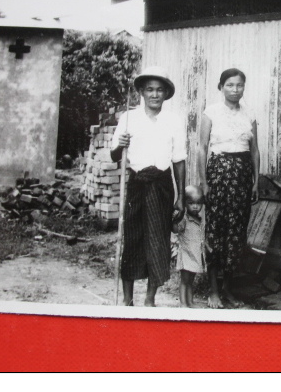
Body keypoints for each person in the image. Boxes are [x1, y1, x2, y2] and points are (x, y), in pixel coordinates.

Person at [111, 66, 186, 307]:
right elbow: (115, 156)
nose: (155, 94)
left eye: (160, 90)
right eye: (150, 90)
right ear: (141, 92)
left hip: (162, 185)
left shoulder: (174, 121)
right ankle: (127, 300)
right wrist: (119, 144)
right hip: (137, 184)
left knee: (158, 240)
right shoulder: (128, 118)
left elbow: (179, 160)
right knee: (132, 238)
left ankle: (150, 299)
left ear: (166, 94)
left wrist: (181, 197)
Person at [198, 68, 260, 308]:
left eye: (239, 85)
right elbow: (202, 147)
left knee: (236, 233)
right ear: (221, 87)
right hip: (218, 175)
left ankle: (228, 289)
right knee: (216, 230)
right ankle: (213, 291)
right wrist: (204, 182)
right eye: (230, 85)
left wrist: (255, 181)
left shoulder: (250, 113)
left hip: (242, 176)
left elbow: (254, 150)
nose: (235, 90)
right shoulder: (211, 112)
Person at [174, 185, 206, 308]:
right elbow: (176, 229)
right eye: (191, 203)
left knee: (190, 281)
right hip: (187, 254)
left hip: (195, 255)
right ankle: (183, 303)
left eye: (198, 203)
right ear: (185, 203)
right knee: (185, 280)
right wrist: (174, 220)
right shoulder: (184, 219)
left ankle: (190, 302)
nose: (195, 206)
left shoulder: (199, 219)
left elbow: (201, 237)